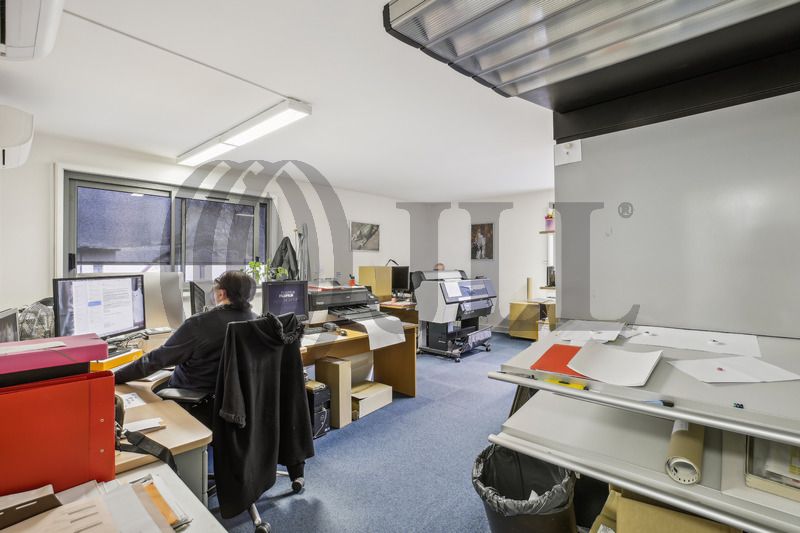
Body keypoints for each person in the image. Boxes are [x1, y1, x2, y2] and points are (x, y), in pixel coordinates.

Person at [115, 270, 258, 425]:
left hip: (195, 400)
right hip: (234, 406)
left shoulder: (200, 324)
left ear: (221, 294)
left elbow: (156, 360)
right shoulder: (257, 322)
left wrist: (114, 377)